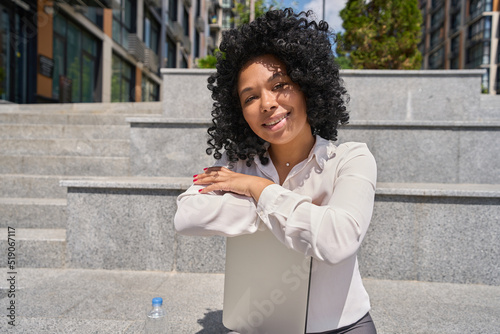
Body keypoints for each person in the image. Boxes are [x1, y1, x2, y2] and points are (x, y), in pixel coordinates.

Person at [174, 8, 377, 334]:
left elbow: (337, 240)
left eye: (280, 84)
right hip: (261, 325)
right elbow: (187, 215)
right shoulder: (237, 161)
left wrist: (256, 189)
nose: (267, 103)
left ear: (308, 85)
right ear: (240, 112)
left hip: (343, 327)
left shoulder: (352, 159)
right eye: (250, 97)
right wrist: (296, 216)